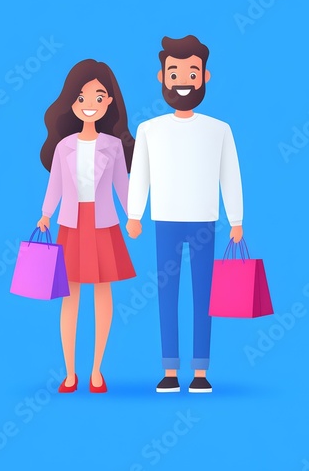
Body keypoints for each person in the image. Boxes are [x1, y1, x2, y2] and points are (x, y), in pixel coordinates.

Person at [127, 35, 243, 393]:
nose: (181, 80)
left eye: (191, 72)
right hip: (165, 221)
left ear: (204, 77)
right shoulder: (149, 129)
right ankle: (170, 370)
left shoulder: (219, 129)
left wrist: (236, 218)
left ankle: (201, 372)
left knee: (204, 296)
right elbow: (140, 172)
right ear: (161, 77)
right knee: (167, 294)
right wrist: (135, 213)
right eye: (173, 72)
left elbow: (230, 174)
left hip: (205, 222)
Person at [38, 59, 136, 393]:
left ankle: (96, 370)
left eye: (98, 96)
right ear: (72, 102)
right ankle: (69, 372)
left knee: (103, 294)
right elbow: (55, 185)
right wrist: (46, 214)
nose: (89, 104)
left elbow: (122, 184)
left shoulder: (112, 146)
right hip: (71, 224)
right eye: (81, 97)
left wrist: (132, 214)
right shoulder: (64, 147)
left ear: (109, 101)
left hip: (105, 223)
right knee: (71, 296)